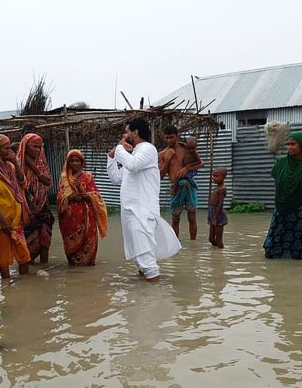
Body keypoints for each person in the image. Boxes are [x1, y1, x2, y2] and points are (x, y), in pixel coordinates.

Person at [108, 118, 181, 281]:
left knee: (147, 263)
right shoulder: (133, 154)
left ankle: (154, 301)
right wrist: (112, 157)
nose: (124, 135)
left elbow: (133, 165)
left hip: (142, 213)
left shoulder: (148, 149)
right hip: (130, 212)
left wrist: (120, 147)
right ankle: (143, 301)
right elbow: (116, 178)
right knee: (139, 261)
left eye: (127, 132)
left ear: (135, 132)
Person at [263, 132, 302, 259]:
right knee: (275, 239)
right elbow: (278, 183)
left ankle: (297, 271)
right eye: (288, 144)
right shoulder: (281, 163)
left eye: (293, 144)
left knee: (299, 240)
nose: (290, 147)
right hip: (281, 207)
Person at [0, 134, 31, 278]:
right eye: (5, 148)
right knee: (5, 258)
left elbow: (23, 184)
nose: (8, 151)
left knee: (24, 256)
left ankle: (25, 289)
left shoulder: (10, 167)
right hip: (0, 223)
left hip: (16, 220)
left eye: (10, 148)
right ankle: (6, 289)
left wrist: (15, 162)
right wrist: (3, 221)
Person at [57, 149, 108, 266]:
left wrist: (79, 188)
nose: (74, 163)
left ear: (82, 162)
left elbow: (94, 198)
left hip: (87, 219)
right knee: (72, 258)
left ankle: (88, 277)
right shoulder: (64, 178)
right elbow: (60, 199)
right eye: (72, 161)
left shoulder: (88, 177)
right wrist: (71, 198)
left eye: (77, 161)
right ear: (67, 163)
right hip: (69, 221)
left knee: (89, 257)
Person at [159, 126, 204, 240]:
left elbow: (201, 164)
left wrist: (187, 168)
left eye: (171, 137)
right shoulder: (163, 154)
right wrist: (168, 159)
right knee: (175, 218)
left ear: (177, 136)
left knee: (192, 216)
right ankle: (175, 244)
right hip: (176, 187)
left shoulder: (186, 148)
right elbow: (160, 175)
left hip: (189, 185)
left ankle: (193, 244)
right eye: (167, 138)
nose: (169, 140)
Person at [18, 133, 55, 263]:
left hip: (42, 207)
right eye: (34, 147)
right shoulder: (18, 165)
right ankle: (29, 277)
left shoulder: (41, 163)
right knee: (28, 244)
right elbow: (18, 187)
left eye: (40, 147)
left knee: (45, 241)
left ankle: (44, 270)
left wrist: (32, 165)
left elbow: (48, 181)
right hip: (25, 209)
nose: (38, 150)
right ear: (26, 147)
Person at [208, 167, 229, 249]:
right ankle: (215, 254)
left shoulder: (222, 189)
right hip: (212, 213)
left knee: (218, 239)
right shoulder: (216, 188)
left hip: (218, 215)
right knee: (211, 238)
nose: (213, 178)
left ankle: (220, 252)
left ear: (223, 177)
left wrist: (215, 218)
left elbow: (220, 204)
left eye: (216, 176)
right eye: (213, 176)